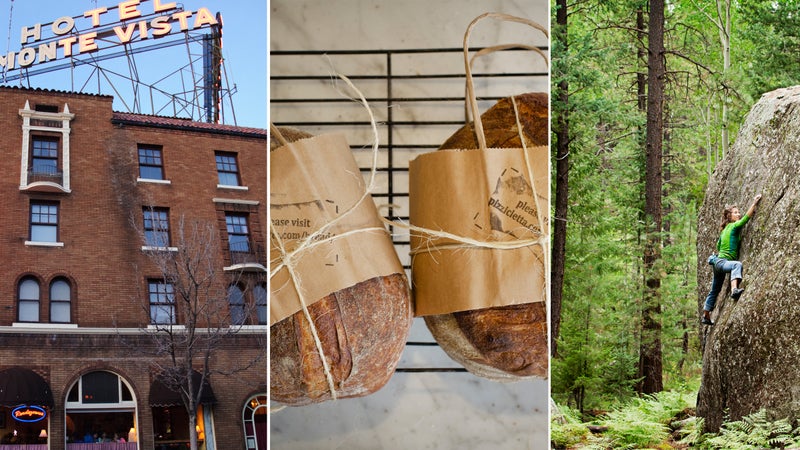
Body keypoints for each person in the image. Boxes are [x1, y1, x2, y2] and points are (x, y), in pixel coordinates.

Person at [702, 194, 762, 325]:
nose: (738, 214)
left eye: (738, 212)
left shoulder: (723, 231)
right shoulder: (734, 227)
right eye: (735, 213)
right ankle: (734, 290)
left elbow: (718, 245)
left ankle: (706, 315)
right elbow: (746, 218)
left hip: (717, 263)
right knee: (736, 265)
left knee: (715, 290)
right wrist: (754, 202)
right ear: (729, 216)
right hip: (724, 263)